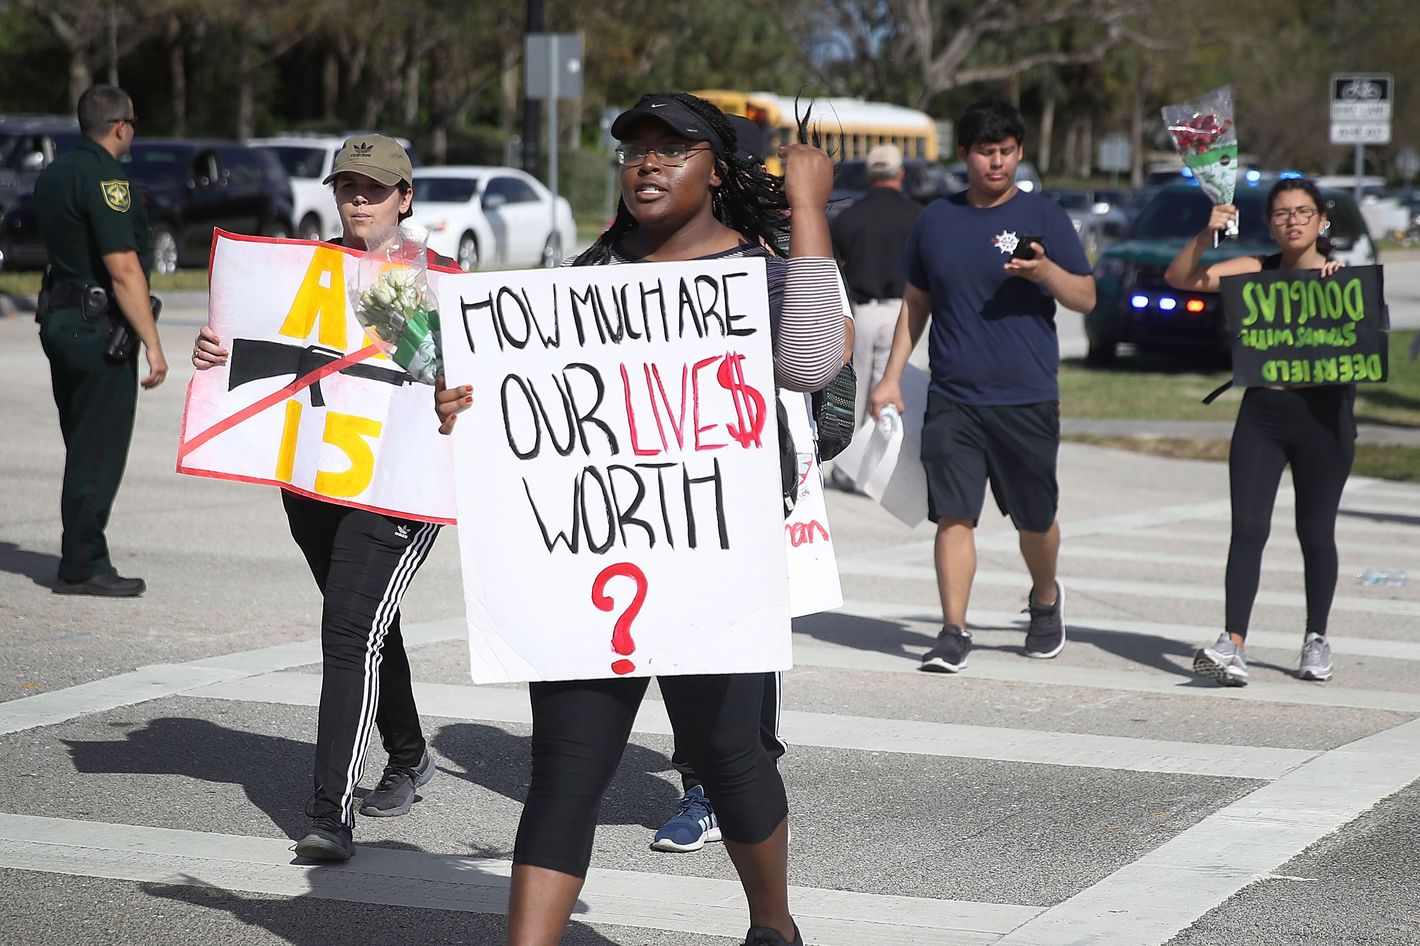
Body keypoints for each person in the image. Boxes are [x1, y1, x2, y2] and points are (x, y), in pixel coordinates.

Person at [437, 90, 844, 946]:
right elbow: (523, 417)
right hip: (593, 568)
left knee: (731, 758)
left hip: (717, 561)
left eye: (673, 148)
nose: (647, 163)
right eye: (634, 151)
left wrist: (808, 208)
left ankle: (773, 926)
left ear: (718, 169)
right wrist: (463, 404)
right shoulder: (585, 281)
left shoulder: (762, 272)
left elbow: (809, 362)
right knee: (565, 770)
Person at [193, 135, 453, 861]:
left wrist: (420, 331)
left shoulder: (428, 277)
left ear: (406, 196)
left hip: (398, 482)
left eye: (375, 187)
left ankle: (328, 815)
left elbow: (452, 378)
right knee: (363, 620)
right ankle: (408, 754)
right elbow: (255, 348)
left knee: (347, 627)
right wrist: (218, 351)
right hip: (313, 478)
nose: (359, 199)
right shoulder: (297, 272)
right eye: (348, 187)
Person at [868, 98, 1095, 673]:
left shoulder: (1044, 217)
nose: (997, 163)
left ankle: (1045, 599)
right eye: (986, 152)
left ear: (1019, 152)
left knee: (1035, 519)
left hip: (1027, 395)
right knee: (954, 516)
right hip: (954, 397)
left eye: (1007, 152)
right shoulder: (935, 220)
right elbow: (915, 305)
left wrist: (1045, 273)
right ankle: (954, 629)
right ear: (964, 153)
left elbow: (1085, 298)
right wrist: (891, 377)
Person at [1164, 178, 1351, 686]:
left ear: (1322, 220)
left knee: (1315, 531)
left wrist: (1341, 285)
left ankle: (1316, 639)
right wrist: (1207, 235)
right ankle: (1233, 643)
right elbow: (1181, 278)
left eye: (1303, 212)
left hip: (1323, 418)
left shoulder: (1342, 277)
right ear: (1269, 223)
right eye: (1282, 213)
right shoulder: (1256, 270)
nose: (1293, 221)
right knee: (1247, 528)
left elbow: (1364, 335)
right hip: (1262, 415)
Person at [34, 84, 167, 597]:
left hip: (60, 322)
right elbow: (124, 269)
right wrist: (152, 343)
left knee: (81, 443)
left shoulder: (55, 175)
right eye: (133, 121)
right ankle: (83, 562)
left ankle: (82, 551)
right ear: (120, 126)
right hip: (98, 331)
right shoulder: (108, 179)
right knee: (98, 449)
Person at [829, 143, 922, 433]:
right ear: (901, 174)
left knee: (855, 394)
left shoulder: (847, 217)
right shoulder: (918, 217)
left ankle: (847, 469)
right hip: (905, 312)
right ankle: (883, 468)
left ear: (869, 176)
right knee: (892, 394)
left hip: (861, 314)